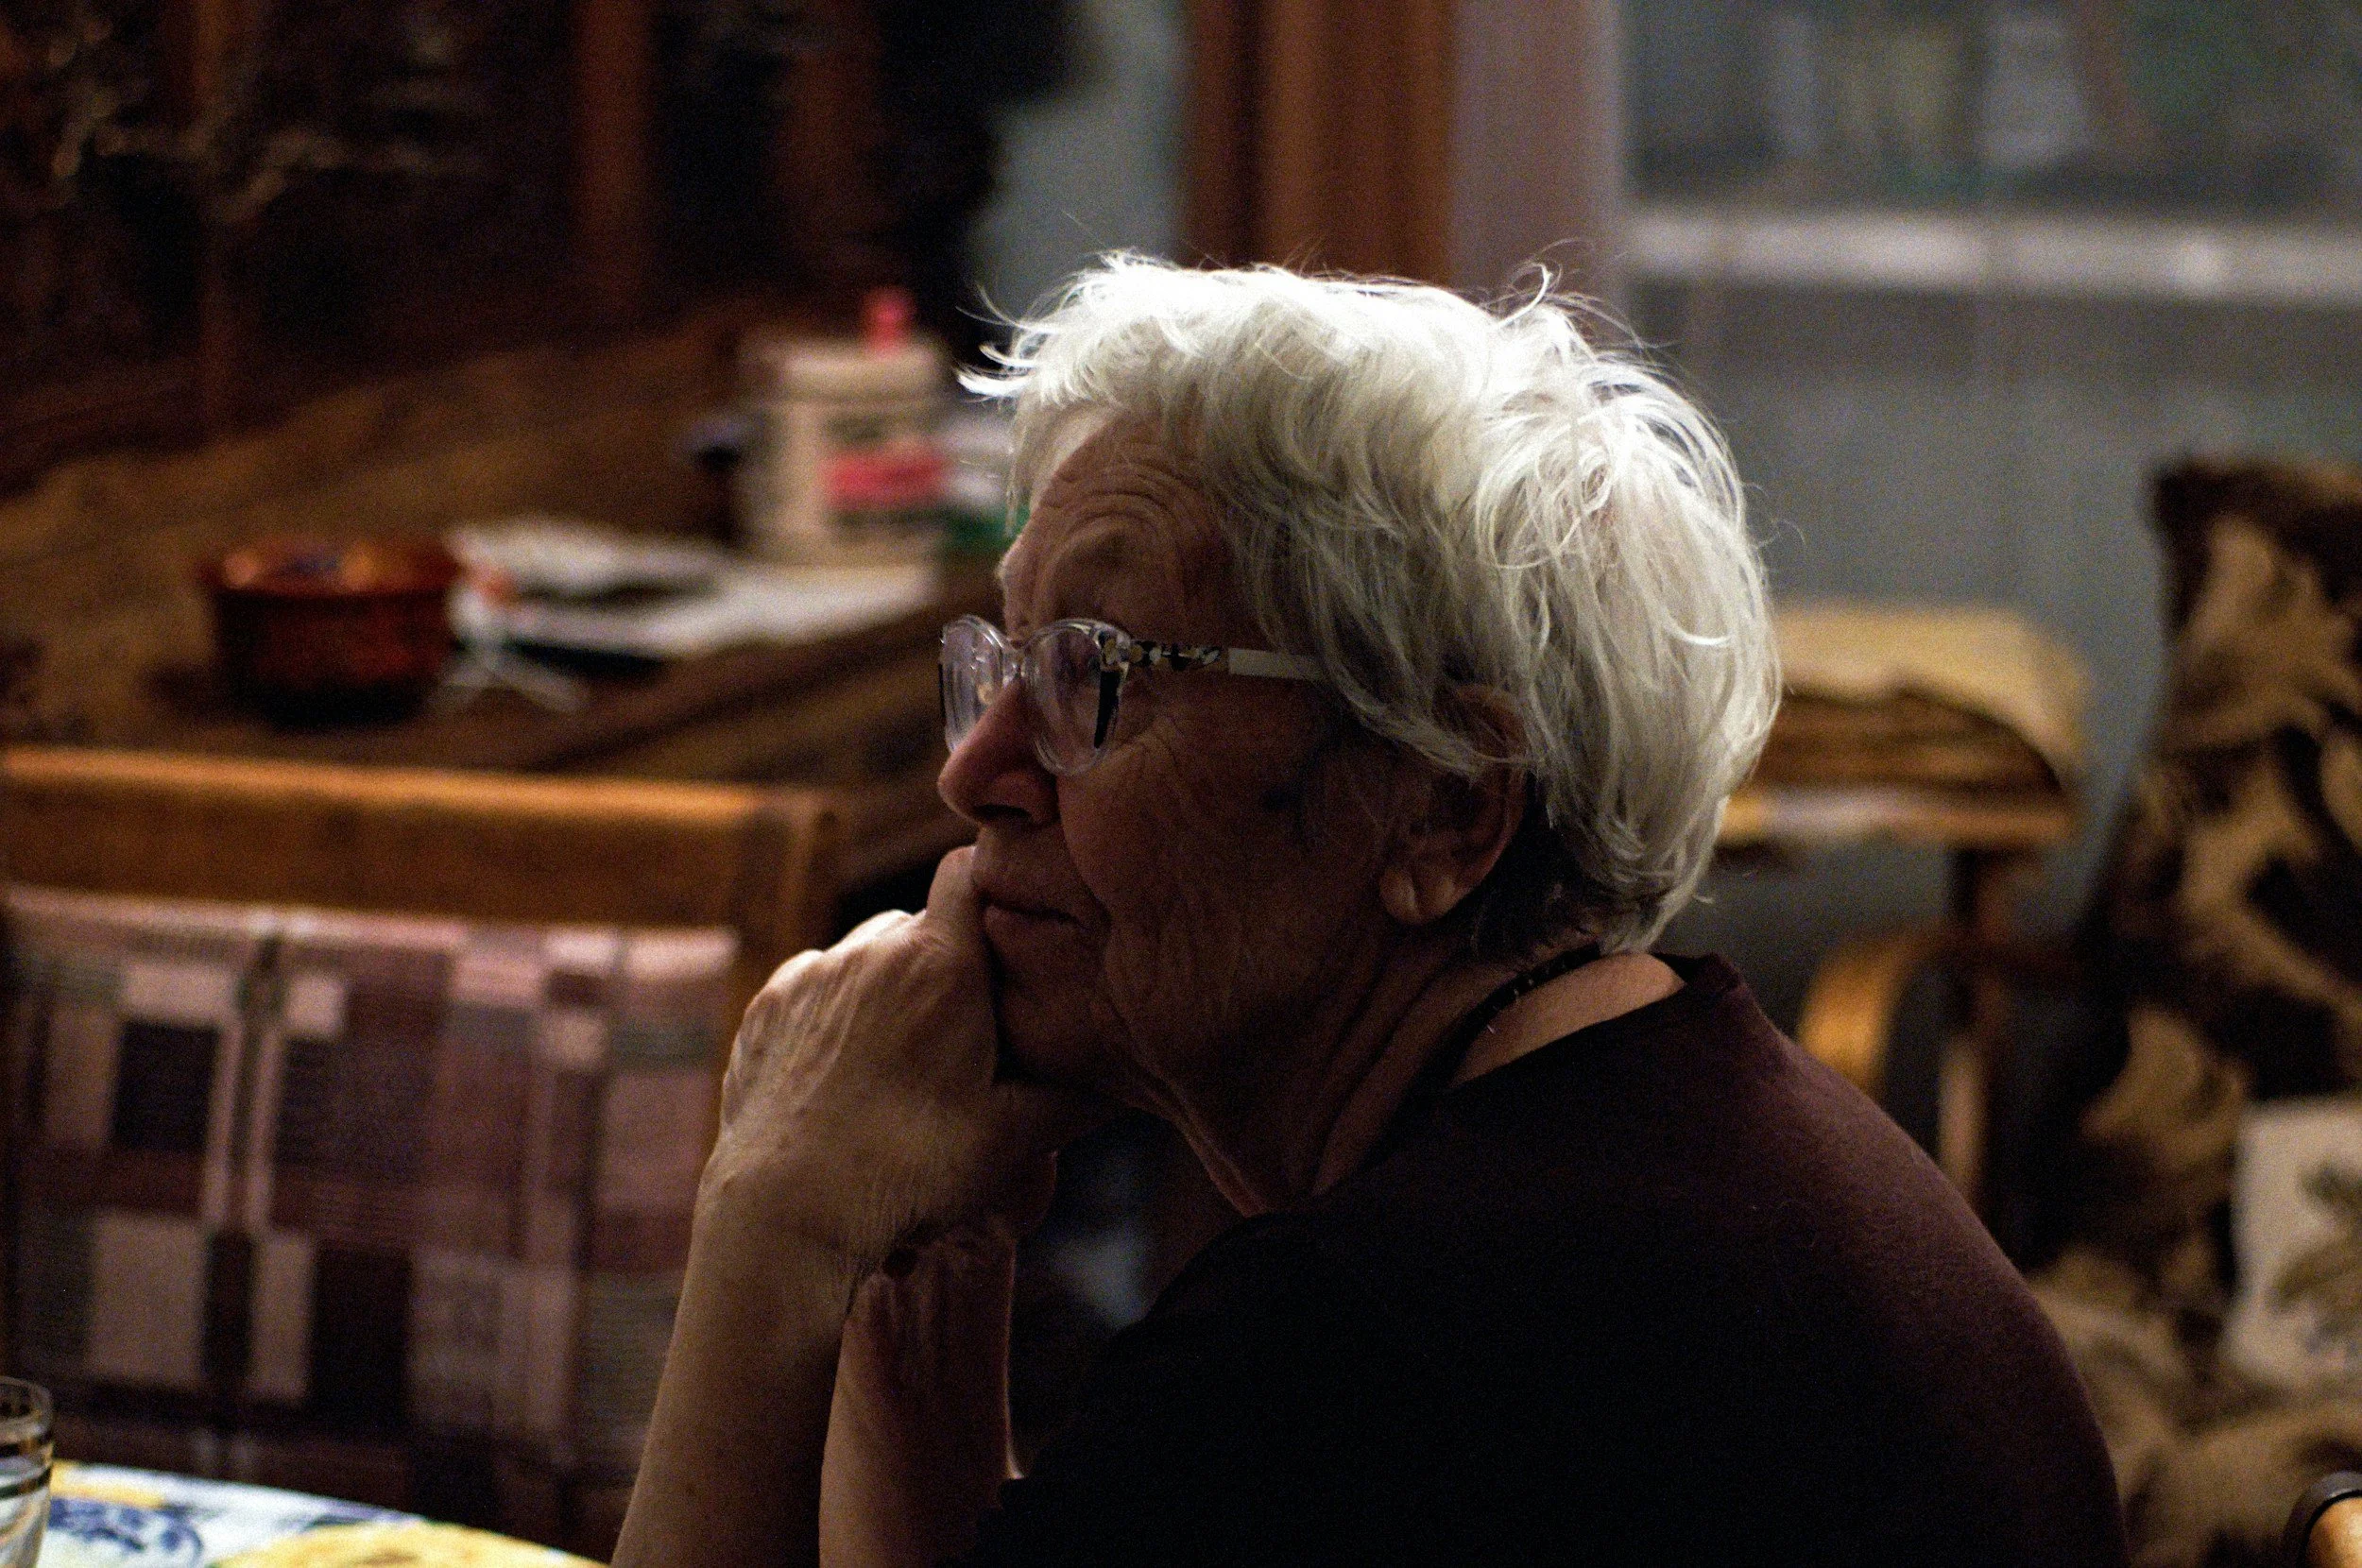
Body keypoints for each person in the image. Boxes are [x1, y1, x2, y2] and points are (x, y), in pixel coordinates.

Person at [612, 259, 2128, 1567]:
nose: (977, 769)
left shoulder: (1377, 1353)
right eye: (1000, 665)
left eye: (1095, 679)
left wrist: (776, 1219)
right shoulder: (1673, 1136)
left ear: (1446, 806)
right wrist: (907, 1269)